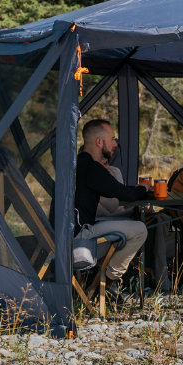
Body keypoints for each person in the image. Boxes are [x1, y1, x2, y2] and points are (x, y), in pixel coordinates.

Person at [74, 119, 150, 296]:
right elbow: (127, 195)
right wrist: (145, 187)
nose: (115, 143)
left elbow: (116, 191)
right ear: (99, 142)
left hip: (70, 232)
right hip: (80, 238)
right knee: (139, 229)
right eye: (112, 139)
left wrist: (136, 190)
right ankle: (104, 286)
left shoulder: (78, 163)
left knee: (127, 223)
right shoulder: (92, 168)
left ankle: (103, 284)